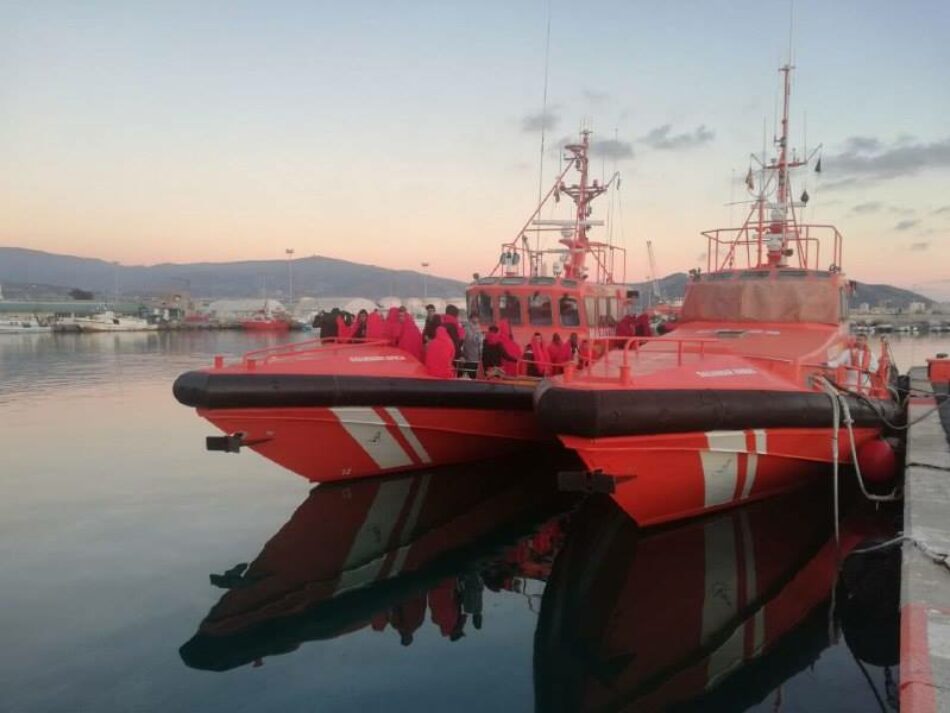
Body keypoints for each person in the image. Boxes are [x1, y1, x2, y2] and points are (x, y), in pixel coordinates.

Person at [460, 314, 483, 378]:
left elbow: (480, 342)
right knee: (470, 374)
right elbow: (473, 341)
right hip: (469, 357)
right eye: (474, 319)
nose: (476, 321)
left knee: (473, 374)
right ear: (470, 319)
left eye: (477, 320)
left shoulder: (478, 328)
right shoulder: (466, 329)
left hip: (476, 357)